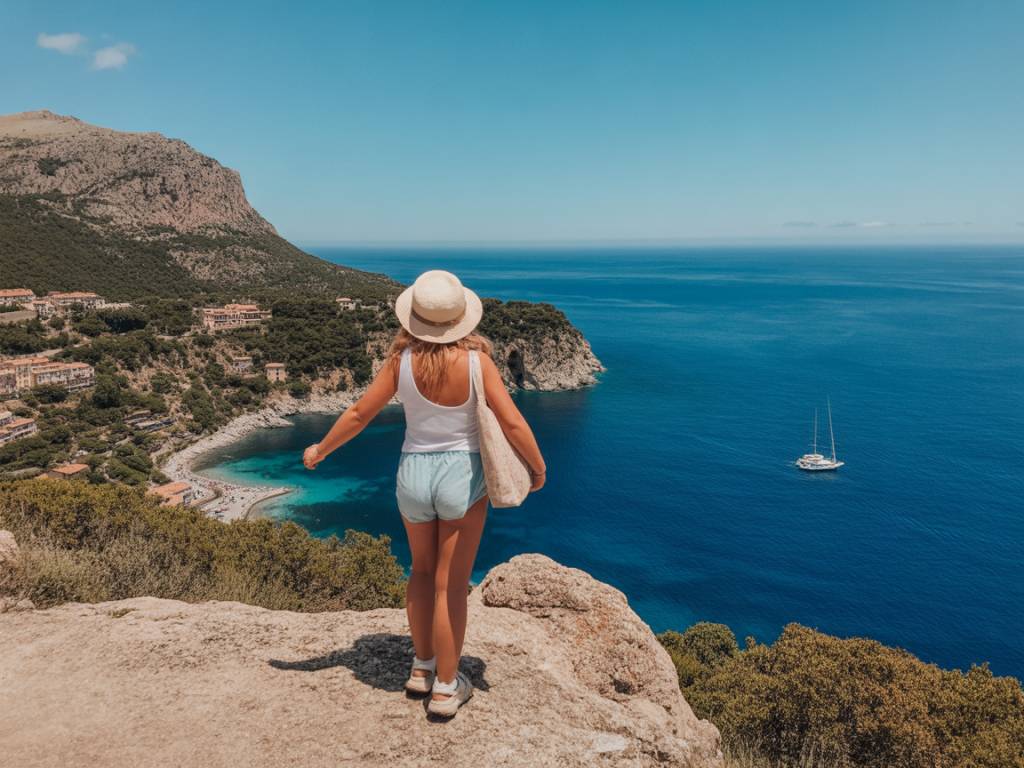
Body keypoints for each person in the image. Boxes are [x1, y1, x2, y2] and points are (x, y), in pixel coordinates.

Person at [302, 269, 547, 717]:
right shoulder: (476, 362)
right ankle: (447, 688)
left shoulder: (401, 361)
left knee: (420, 571)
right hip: (461, 476)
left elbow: (358, 414)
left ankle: (421, 668)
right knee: (451, 585)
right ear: (460, 318)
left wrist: (320, 449)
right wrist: (537, 467)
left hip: (413, 474)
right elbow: (511, 422)